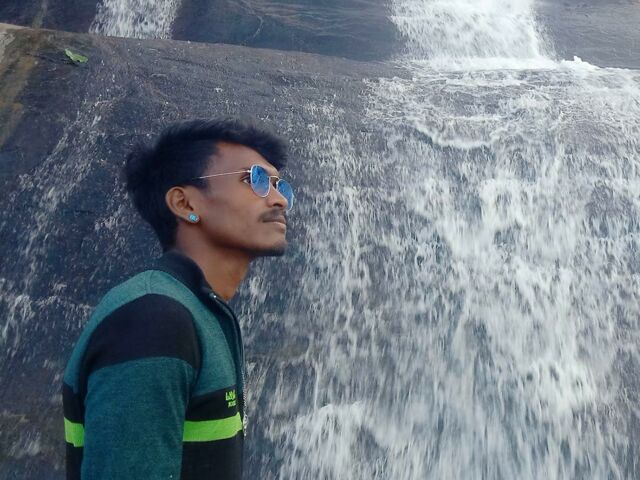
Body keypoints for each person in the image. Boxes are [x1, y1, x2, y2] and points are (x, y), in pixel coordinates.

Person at [62, 118, 294, 479]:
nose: (279, 200)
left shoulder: (199, 311)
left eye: (280, 186)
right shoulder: (153, 320)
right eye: (255, 180)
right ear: (184, 203)